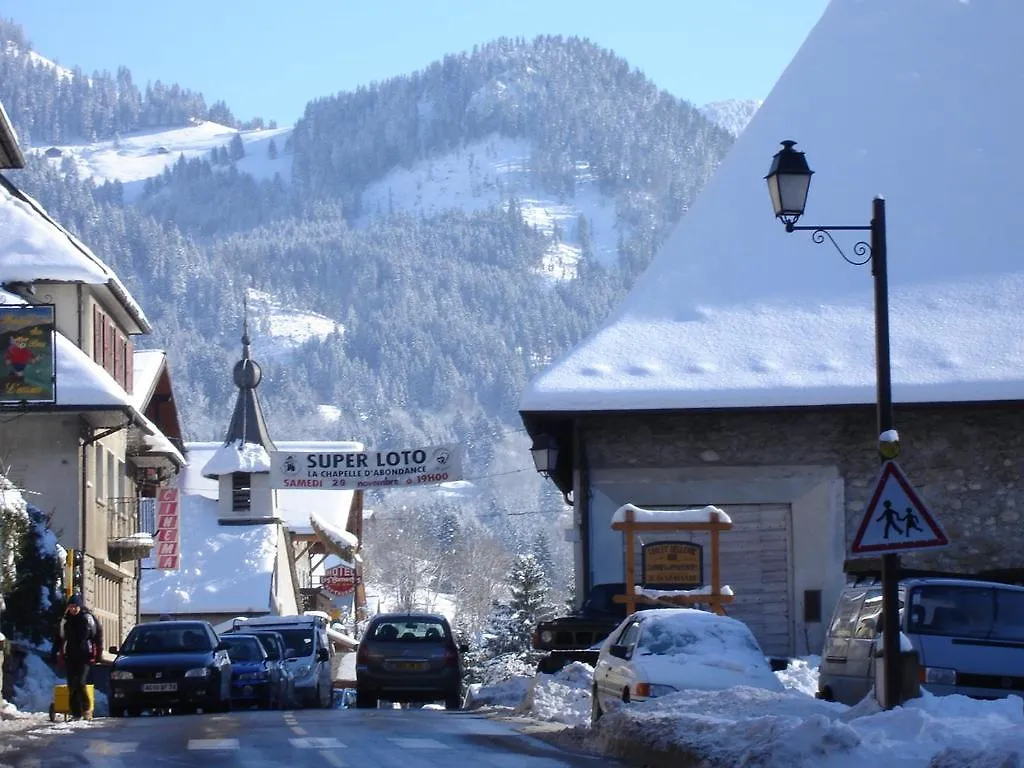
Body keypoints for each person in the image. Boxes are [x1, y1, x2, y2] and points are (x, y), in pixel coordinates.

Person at [53, 593, 102, 720]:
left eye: (75, 606)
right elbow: (59, 637)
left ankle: (86, 709)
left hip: (85, 656)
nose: (73, 609)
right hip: (70, 655)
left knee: (80, 683)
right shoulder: (65, 620)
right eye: (71, 606)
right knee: (71, 685)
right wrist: (55, 652)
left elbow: (97, 637)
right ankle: (76, 713)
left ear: (80, 606)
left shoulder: (88, 618)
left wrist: (98, 655)